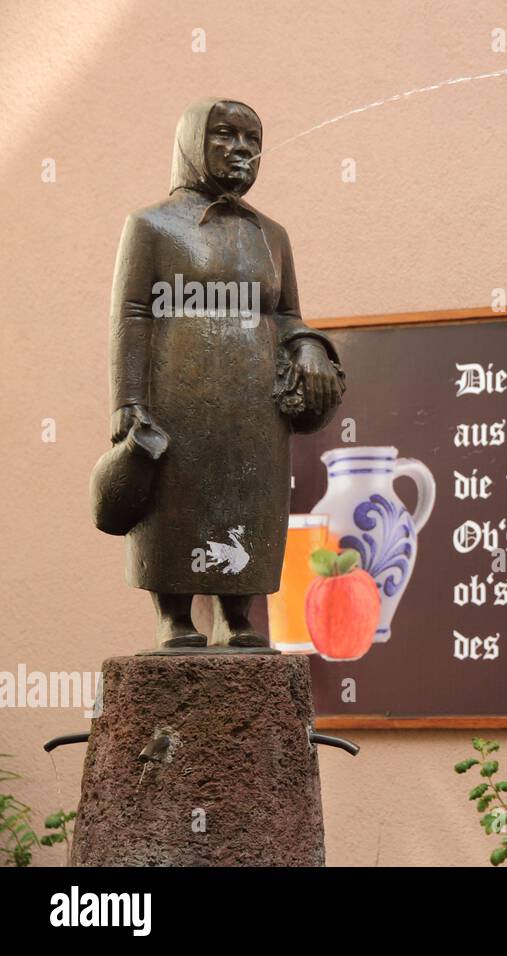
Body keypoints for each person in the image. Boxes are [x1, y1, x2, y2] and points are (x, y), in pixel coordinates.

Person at [105, 98, 344, 648]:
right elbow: (130, 313)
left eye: (252, 140)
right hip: (175, 393)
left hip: (255, 402)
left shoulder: (271, 235)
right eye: (226, 135)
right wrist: (127, 400)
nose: (242, 150)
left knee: (250, 496)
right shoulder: (151, 225)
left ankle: (239, 616)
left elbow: (287, 313)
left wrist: (308, 347)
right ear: (193, 144)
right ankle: (175, 618)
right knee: (172, 497)